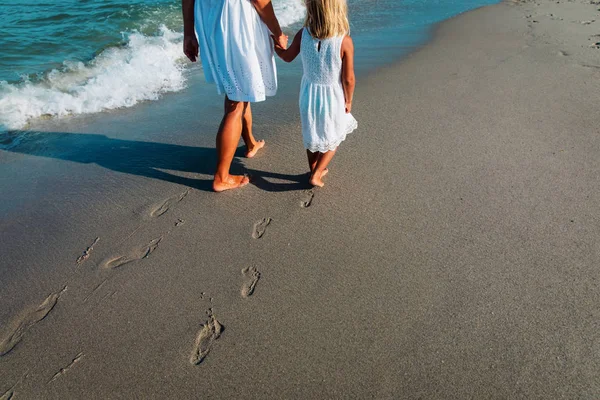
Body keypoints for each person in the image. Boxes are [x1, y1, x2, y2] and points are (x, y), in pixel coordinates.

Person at [182, 0, 288, 192]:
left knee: (238, 88)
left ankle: (250, 142)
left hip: (211, 21)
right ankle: (221, 176)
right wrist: (277, 32)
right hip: (235, 23)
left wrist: (189, 32)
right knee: (236, 101)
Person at [274, 0, 356, 187]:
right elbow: (349, 79)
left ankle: (313, 167)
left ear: (311, 9)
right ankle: (317, 173)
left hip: (308, 95)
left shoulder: (303, 34)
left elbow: (287, 57)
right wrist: (348, 100)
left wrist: (277, 46)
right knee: (334, 134)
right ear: (338, 10)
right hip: (333, 97)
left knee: (312, 134)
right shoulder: (344, 41)